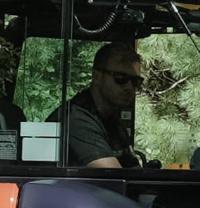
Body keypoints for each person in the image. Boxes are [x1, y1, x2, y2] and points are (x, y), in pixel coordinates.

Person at [56, 39, 143, 168]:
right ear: (96, 76)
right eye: (121, 78)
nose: (129, 87)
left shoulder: (109, 119)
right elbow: (113, 177)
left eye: (135, 81)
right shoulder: (76, 120)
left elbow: (132, 170)